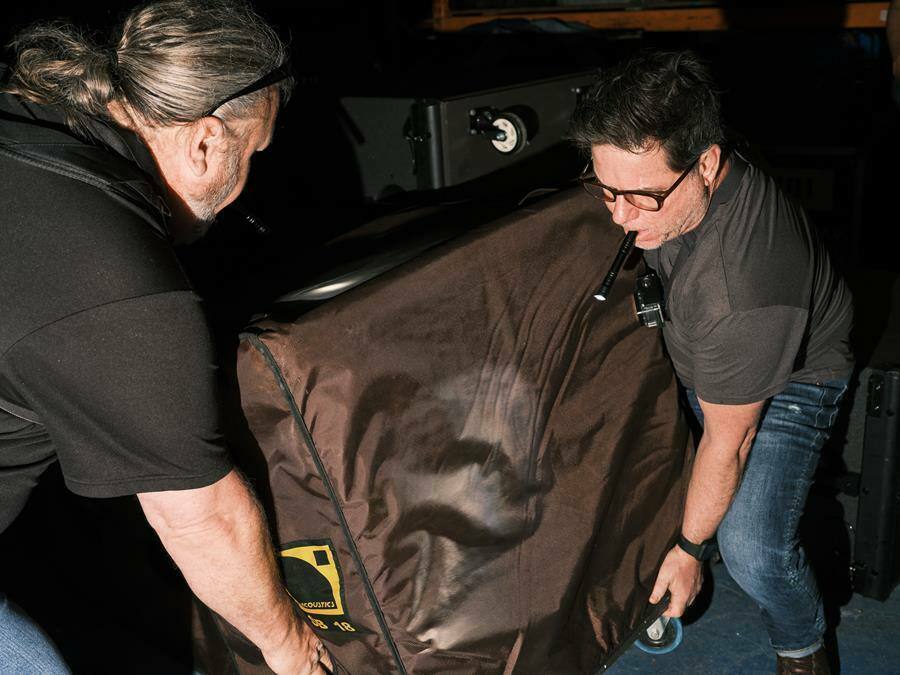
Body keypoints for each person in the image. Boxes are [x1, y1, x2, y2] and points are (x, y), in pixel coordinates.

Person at [0, 1, 332, 673]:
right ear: (207, 141)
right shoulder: (118, 287)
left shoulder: (24, 120)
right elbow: (200, 517)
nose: (247, 181)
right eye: (252, 152)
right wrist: (293, 648)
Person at [572, 51, 853, 674]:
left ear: (706, 164)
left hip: (797, 373)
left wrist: (691, 549)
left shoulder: (740, 291)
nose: (618, 214)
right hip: (706, 343)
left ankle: (804, 651)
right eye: (606, 187)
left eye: (641, 197)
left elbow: (731, 439)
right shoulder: (681, 166)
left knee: (751, 546)